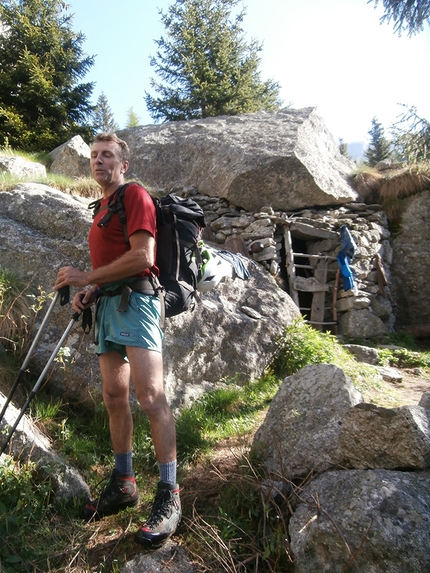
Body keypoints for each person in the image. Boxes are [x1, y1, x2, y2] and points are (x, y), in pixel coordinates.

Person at [54, 133, 181, 548]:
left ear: (123, 163)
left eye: (107, 155)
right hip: (108, 306)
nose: (98, 161)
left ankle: (170, 494)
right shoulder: (102, 207)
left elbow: (144, 257)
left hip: (138, 303)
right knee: (113, 396)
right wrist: (89, 290)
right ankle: (124, 483)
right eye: (93, 156)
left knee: (150, 396)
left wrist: (86, 276)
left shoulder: (134, 195)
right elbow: (111, 265)